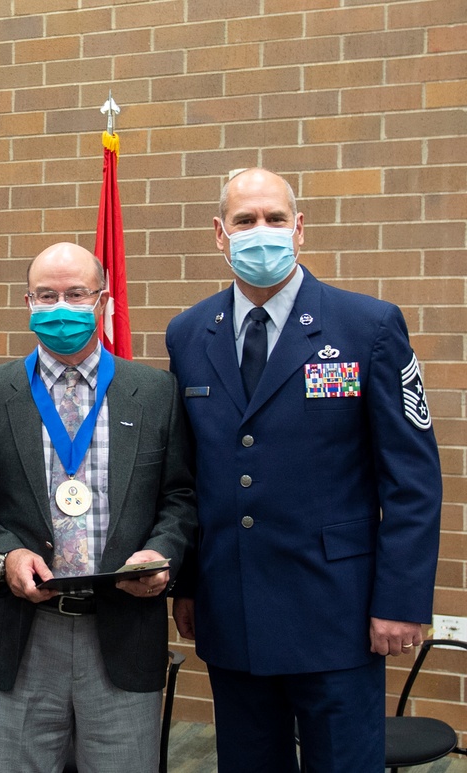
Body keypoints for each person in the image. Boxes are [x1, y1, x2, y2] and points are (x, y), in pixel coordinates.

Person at [165, 168, 443, 772]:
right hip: (232, 607)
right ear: (220, 234)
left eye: (274, 218)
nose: (260, 232)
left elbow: (413, 479)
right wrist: (188, 584)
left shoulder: (366, 327)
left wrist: (401, 599)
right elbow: (188, 475)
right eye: (244, 221)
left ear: (299, 227)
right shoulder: (188, 334)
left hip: (337, 613)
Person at [0, 242, 196, 773]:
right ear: (28, 303)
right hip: (21, 633)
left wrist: (159, 552)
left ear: (102, 300)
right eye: (46, 295)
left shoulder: (154, 392)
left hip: (123, 629)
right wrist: (2, 555)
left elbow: (180, 497)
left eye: (76, 293)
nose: (61, 307)